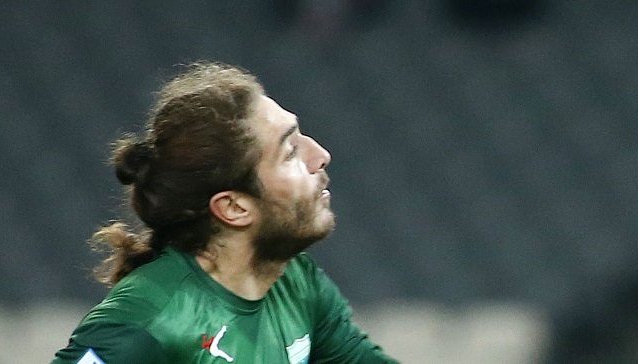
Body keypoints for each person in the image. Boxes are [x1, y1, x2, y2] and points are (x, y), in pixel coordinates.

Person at [55, 63, 394, 363]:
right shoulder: (149, 322)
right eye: (290, 151)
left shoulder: (297, 283)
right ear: (234, 208)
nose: (320, 155)